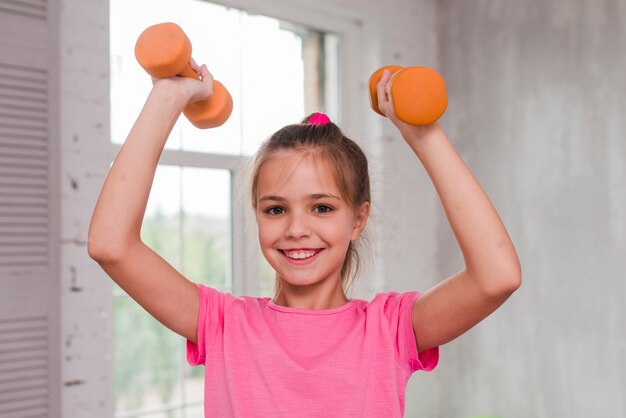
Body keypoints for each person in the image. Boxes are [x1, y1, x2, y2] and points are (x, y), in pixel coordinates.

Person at [88, 60, 521, 417]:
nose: (296, 228)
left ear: (358, 220)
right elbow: (111, 244)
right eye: (276, 209)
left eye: (322, 207)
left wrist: (422, 134)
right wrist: (169, 96)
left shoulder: (389, 329)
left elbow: (496, 276)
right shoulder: (224, 325)